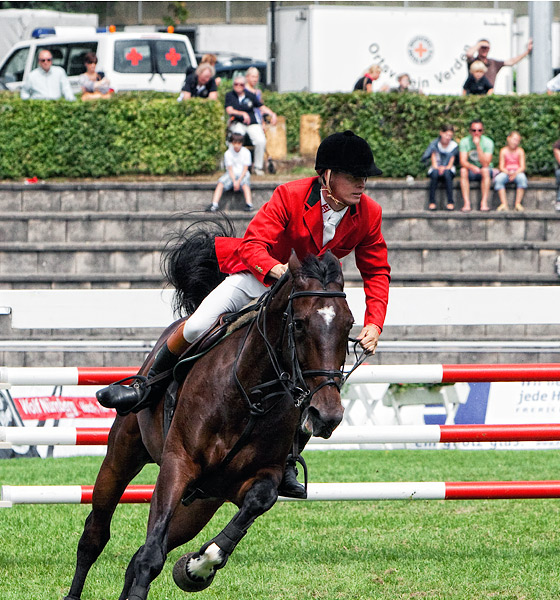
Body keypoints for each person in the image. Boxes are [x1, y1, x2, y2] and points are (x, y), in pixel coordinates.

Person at [97, 130, 390, 499]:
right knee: (201, 323)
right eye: (354, 176)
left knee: (310, 371)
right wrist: (278, 272)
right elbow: (254, 244)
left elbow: (376, 270)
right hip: (260, 276)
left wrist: (375, 321)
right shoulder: (290, 195)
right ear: (326, 176)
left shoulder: (369, 213)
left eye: (365, 177)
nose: (362, 184)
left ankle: (284, 460)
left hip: (307, 299)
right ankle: (145, 385)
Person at [225, 75, 277, 176]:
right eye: (236, 84)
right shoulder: (230, 95)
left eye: (241, 84)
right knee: (237, 137)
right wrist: (242, 114)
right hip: (238, 122)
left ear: (244, 85)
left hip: (252, 124)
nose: (238, 86)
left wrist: (272, 114)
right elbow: (229, 110)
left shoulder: (250, 95)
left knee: (260, 140)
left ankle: (258, 167)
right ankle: (234, 166)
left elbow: (261, 107)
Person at [207, 133, 253, 213]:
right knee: (221, 183)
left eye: (239, 143)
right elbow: (230, 169)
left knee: (245, 184)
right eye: (234, 143)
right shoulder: (228, 153)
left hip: (243, 174)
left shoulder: (246, 152)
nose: (236, 145)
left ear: (241, 143)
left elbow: (245, 169)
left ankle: (249, 204)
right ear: (231, 143)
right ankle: (214, 204)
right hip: (231, 175)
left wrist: (238, 181)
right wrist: (234, 181)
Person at [465, 37, 533, 89]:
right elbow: (469, 54)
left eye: (487, 48)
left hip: (488, 94)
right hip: (472, 95)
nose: (485, 49)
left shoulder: (493, 63)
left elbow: (511, 62)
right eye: (482, 47)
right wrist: (480, 44)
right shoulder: (473, 61)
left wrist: (527, 52)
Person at [458, 119, 495, 212]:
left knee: (485, 170)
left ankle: (484, 202)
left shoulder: (488, 142)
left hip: (484, 169)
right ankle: (466, 203)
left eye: (479, 130)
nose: (476, 133)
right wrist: (472, 167)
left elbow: (485, 163)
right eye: (474, 130)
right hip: (471, 170)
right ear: (470, 131)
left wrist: (478, 146)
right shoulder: (464, 141)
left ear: (483, 131)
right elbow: (462, 161)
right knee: (463, 170)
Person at [422, 124, 458, 211]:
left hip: (448, 169)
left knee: (447, 175)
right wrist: (438, 168)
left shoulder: (454, 146)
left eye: (450, 135)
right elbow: (433, 161)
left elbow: (451, 163)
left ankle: (450, 202)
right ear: (441, 133)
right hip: (436, 168)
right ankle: (432, 202)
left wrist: (444, 168)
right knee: (434, 174)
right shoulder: (434, 144)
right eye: (446, 135)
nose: (448, 137)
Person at [493, 131, 527, 211]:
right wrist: (508, 172)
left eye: (517, 140)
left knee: (522, 178)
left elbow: (522, 166)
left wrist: (515, 173)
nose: (515, 142)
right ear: (509, 139)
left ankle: (518, 203)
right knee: (499, 179)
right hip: (506, 172)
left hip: (517, 171)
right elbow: (501, 166)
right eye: (514, 139)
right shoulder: (503, 151)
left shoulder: (520, 151)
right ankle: (504, 204)